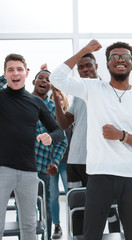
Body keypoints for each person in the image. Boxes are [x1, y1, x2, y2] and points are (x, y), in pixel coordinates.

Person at [50, 39, 132, 240]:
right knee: (92, 234)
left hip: (130, 177)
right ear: (107, 64)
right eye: (114, 57)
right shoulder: (93, 88)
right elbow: (56, 78)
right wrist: (84, 50)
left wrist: (122, 136)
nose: (120, 60)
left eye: (125, 56)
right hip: (99, 176)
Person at [53, 53, 120, 236]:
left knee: (108, 208)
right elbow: (64, 123)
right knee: (77, 208)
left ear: (96, 66)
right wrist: (56, 97)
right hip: (76, 160)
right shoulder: (78, 94)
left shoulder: (107, 89)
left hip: (100, 161)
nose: (85, 70)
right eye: (81, 68)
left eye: (88, 65)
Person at [0, 53, 64, 239]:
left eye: (19, 69)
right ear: (4, 74)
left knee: (29, 225)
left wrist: (50, 137)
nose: (15, 73)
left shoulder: (36, 102)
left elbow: (58, 131)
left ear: (27, 73)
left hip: (29, 171)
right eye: (10, 69)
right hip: (2, 169)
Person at [32, 69, 69, 240]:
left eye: (48, 79)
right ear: (33, 81)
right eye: (41, 77)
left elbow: (63, 140)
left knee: (46, 206)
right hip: (20, 165)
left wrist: (55, 162)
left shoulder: (55, 109)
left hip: (43, 167)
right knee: (24, 208)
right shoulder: (21, 102)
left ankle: (47, 235)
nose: (44, 81)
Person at [50, 89, 72, 239]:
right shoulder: (46, 120)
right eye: (53, 100)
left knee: (71, 195)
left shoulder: (70, 120)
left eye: (60, 99)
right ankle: (57, 226)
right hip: (50, 165)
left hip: (65, 163)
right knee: (53, 196)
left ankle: (73, 223)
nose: (57, 102)